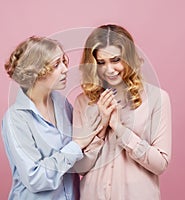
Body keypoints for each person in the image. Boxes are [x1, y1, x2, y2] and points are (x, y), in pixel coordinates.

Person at [72, 24, 172, 199]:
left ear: (129, 58)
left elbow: (160, 164)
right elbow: (80, 167)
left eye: (116, 60)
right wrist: (101, 127)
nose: (109, 70)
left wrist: (119, 129)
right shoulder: (83, 101)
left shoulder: (157, 98)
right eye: (101, 62)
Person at [1, 36, 101, 200]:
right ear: (36, 72)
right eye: (56, 65)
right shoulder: (16, 119)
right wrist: (77, 145)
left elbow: (79, 154)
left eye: (64, 61)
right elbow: (35, 179)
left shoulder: (61, 103)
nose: (65, 69)